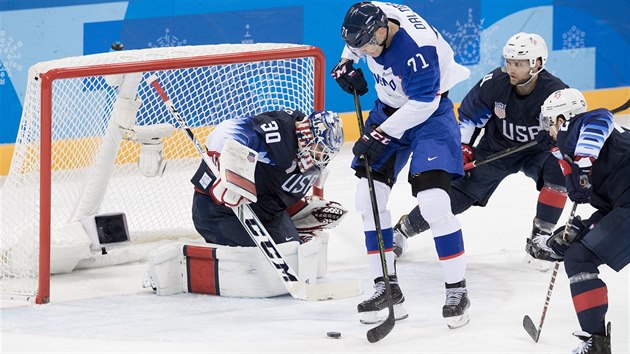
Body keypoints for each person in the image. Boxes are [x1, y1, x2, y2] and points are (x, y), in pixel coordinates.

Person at [331, 2, 472, 328]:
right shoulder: (374, 16)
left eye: (365, 46)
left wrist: (380, 135)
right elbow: (354, 41)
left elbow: (423, 104)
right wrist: (346, 61)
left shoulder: (417, 50)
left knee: (434, 203)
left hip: (429, 117)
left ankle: (457, 290)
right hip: (389, 110)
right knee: (368, 200)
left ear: (382, 32)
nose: (364, 51)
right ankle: (386, 286)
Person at [391, 32, 570, 271]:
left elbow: (569, 131)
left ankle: (540, 239)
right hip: (497, 148)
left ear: (537, 64)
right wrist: (463, 148)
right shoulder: (495, 83)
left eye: (518, 64)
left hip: (537, 151)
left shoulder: (556, 92)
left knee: (559, 172)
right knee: (458, 194)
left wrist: (557, 141)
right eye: (508, 62)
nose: (511, 68)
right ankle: (402, 231)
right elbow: (468, 120)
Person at [529, 88, 629, 354]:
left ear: (562, 119)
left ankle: (594, 343)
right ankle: (594, 341)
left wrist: (582, 164)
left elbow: (601, 119)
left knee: (579, 257)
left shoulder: (583, 124)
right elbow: (610, 208)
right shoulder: (578, 150)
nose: (548, 129)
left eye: (549, 123)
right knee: (577, 252)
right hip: (623, 205)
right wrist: (579, 230)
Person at [190, 109, 344, 247]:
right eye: (320, 149)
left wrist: (299, 209)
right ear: (307, 134)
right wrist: (226, 170)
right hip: (220, 210)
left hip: (266, 212)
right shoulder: (277, 133)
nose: (321, 157)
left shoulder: (309, 153)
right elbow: (226, 130)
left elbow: (278, 185)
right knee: (253, 263)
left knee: (292, 252)